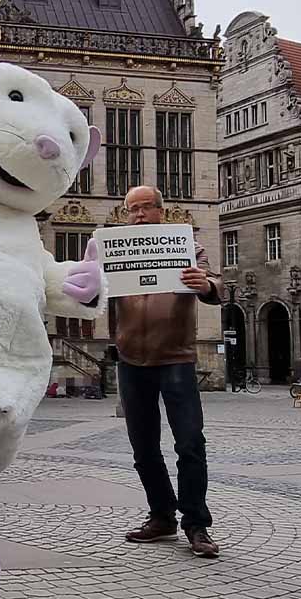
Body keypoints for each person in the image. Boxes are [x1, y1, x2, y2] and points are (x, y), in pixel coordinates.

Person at [116, 186, 224, 558]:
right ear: (125, 214)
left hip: (176, 357)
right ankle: (162, 515)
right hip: (130, 357)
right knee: (143, 448)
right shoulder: (115, 250)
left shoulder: (188, 247)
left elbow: (217, 284)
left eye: (147, 208)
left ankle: (196, 524)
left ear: (163, 211)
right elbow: (89, 288)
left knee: (190, 444)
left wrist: (206, 284)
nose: (140, 215)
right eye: (133, 209)